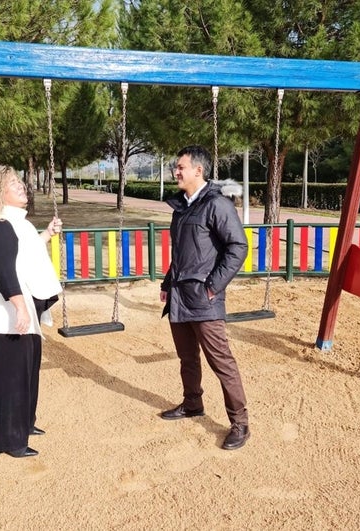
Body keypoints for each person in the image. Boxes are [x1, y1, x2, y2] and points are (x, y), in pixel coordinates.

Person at [159, 145, 251, 450]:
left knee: (221, 361)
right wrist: (167, 281)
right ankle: (192, 404)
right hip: (179, 295)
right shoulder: (182, 207)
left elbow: (238, 247)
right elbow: (181, 254)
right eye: (177, 167)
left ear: (198, 170)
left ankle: (240, 423)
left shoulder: (217, 204)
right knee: (187, 358)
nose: (176, 171)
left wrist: (213, 287)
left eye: (181, 167)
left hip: (204, 299)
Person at [0, 165, 63, 458]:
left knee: (26, 373)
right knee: (10, 379)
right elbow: (4, 271)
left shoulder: (13, 224)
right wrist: (20, 306)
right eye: (13, 184)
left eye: (19, 181)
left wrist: (47, 234)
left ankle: (23, 424)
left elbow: (26, 251)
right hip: (5, 317)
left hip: (17, 313)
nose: (21, 186)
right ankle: (9, 441)